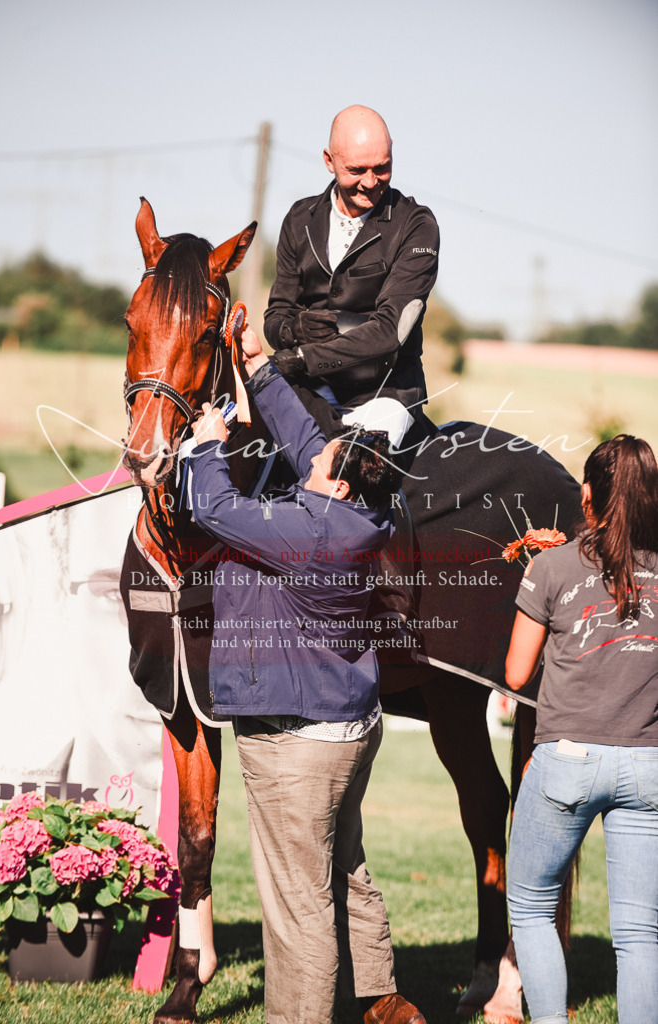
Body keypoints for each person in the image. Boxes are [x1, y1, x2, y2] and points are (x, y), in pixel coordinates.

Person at [183, 322, 427, 1024]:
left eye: (323, 462)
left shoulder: (310, 532)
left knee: (298, 908)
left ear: (339, 484)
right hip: (346, 728)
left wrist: (208, 445)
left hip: (297, 745)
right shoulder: (366, 510)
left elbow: (213, 507)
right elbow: (305, 443)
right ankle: (380, 994)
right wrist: (259, 369)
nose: (311, 457)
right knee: (344, 863)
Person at [504, 434, 658, 1024]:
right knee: (640, 933)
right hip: (647, 765)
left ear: (587, 494)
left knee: (532, 909)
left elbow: (516, 673)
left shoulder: (552, 565)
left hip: (566, 761)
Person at [264, 104, 439, 444]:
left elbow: (391, 330)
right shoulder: (298, 219)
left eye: (382, 168)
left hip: (384, 393)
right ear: (329, 161)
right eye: (357, 170)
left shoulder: (417, 225)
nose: (370, 182)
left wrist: (304, 358)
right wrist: (293, 330)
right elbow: (276, 316)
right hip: (308, 388)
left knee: (349, 470)